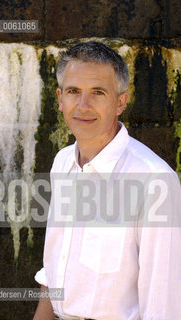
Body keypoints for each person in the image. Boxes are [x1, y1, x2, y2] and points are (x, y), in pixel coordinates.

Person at [33, 41, 181, 320]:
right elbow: (54, 268)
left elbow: (162, 302)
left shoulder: (154, 181)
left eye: (98, 92)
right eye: (73, 91)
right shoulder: (63, 162)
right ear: (60, 98)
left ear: (120, 103)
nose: (83, 105)